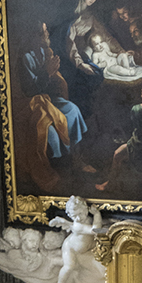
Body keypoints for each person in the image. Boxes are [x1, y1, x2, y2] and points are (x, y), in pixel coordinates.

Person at [17, 21, 87, 190]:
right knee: (49, 131)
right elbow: (29, 90)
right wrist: (47, 72)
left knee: (72, 109)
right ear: (34, 36)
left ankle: (76, 159)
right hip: (30, 104)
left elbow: (50, 81)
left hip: (46, 99)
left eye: (47, 30)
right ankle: (58, 168)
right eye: (44, 32)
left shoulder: (42, 51)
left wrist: (54, 76)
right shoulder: (25, 57)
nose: (47, 34)